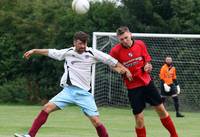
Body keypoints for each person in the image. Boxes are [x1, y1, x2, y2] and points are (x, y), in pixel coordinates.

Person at [14, 31, 132, 137]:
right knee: (46, 108)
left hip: (84, 94)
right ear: (74, 42)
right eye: (80, 44)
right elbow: (51, 52)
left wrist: (125, 70)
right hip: (68, 91)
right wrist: (35, 50)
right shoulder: (68, 52)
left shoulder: (92, 53)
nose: (83, 46)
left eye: (85, 43)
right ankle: (30, 135)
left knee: (96, 121)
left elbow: (111, 61)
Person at [109, 26, 179, 137]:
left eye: (126, 37)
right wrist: (123, 70)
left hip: (147, 83)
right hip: (133, 87)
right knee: (139, 118)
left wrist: (148, 66)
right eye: (122, 39)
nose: (125, 41)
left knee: (161, 109)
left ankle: (174, 135)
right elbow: (113, 65)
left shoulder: (140, 44)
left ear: (130, 34)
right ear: (118, 39)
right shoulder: (115, 51)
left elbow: (147, 62)